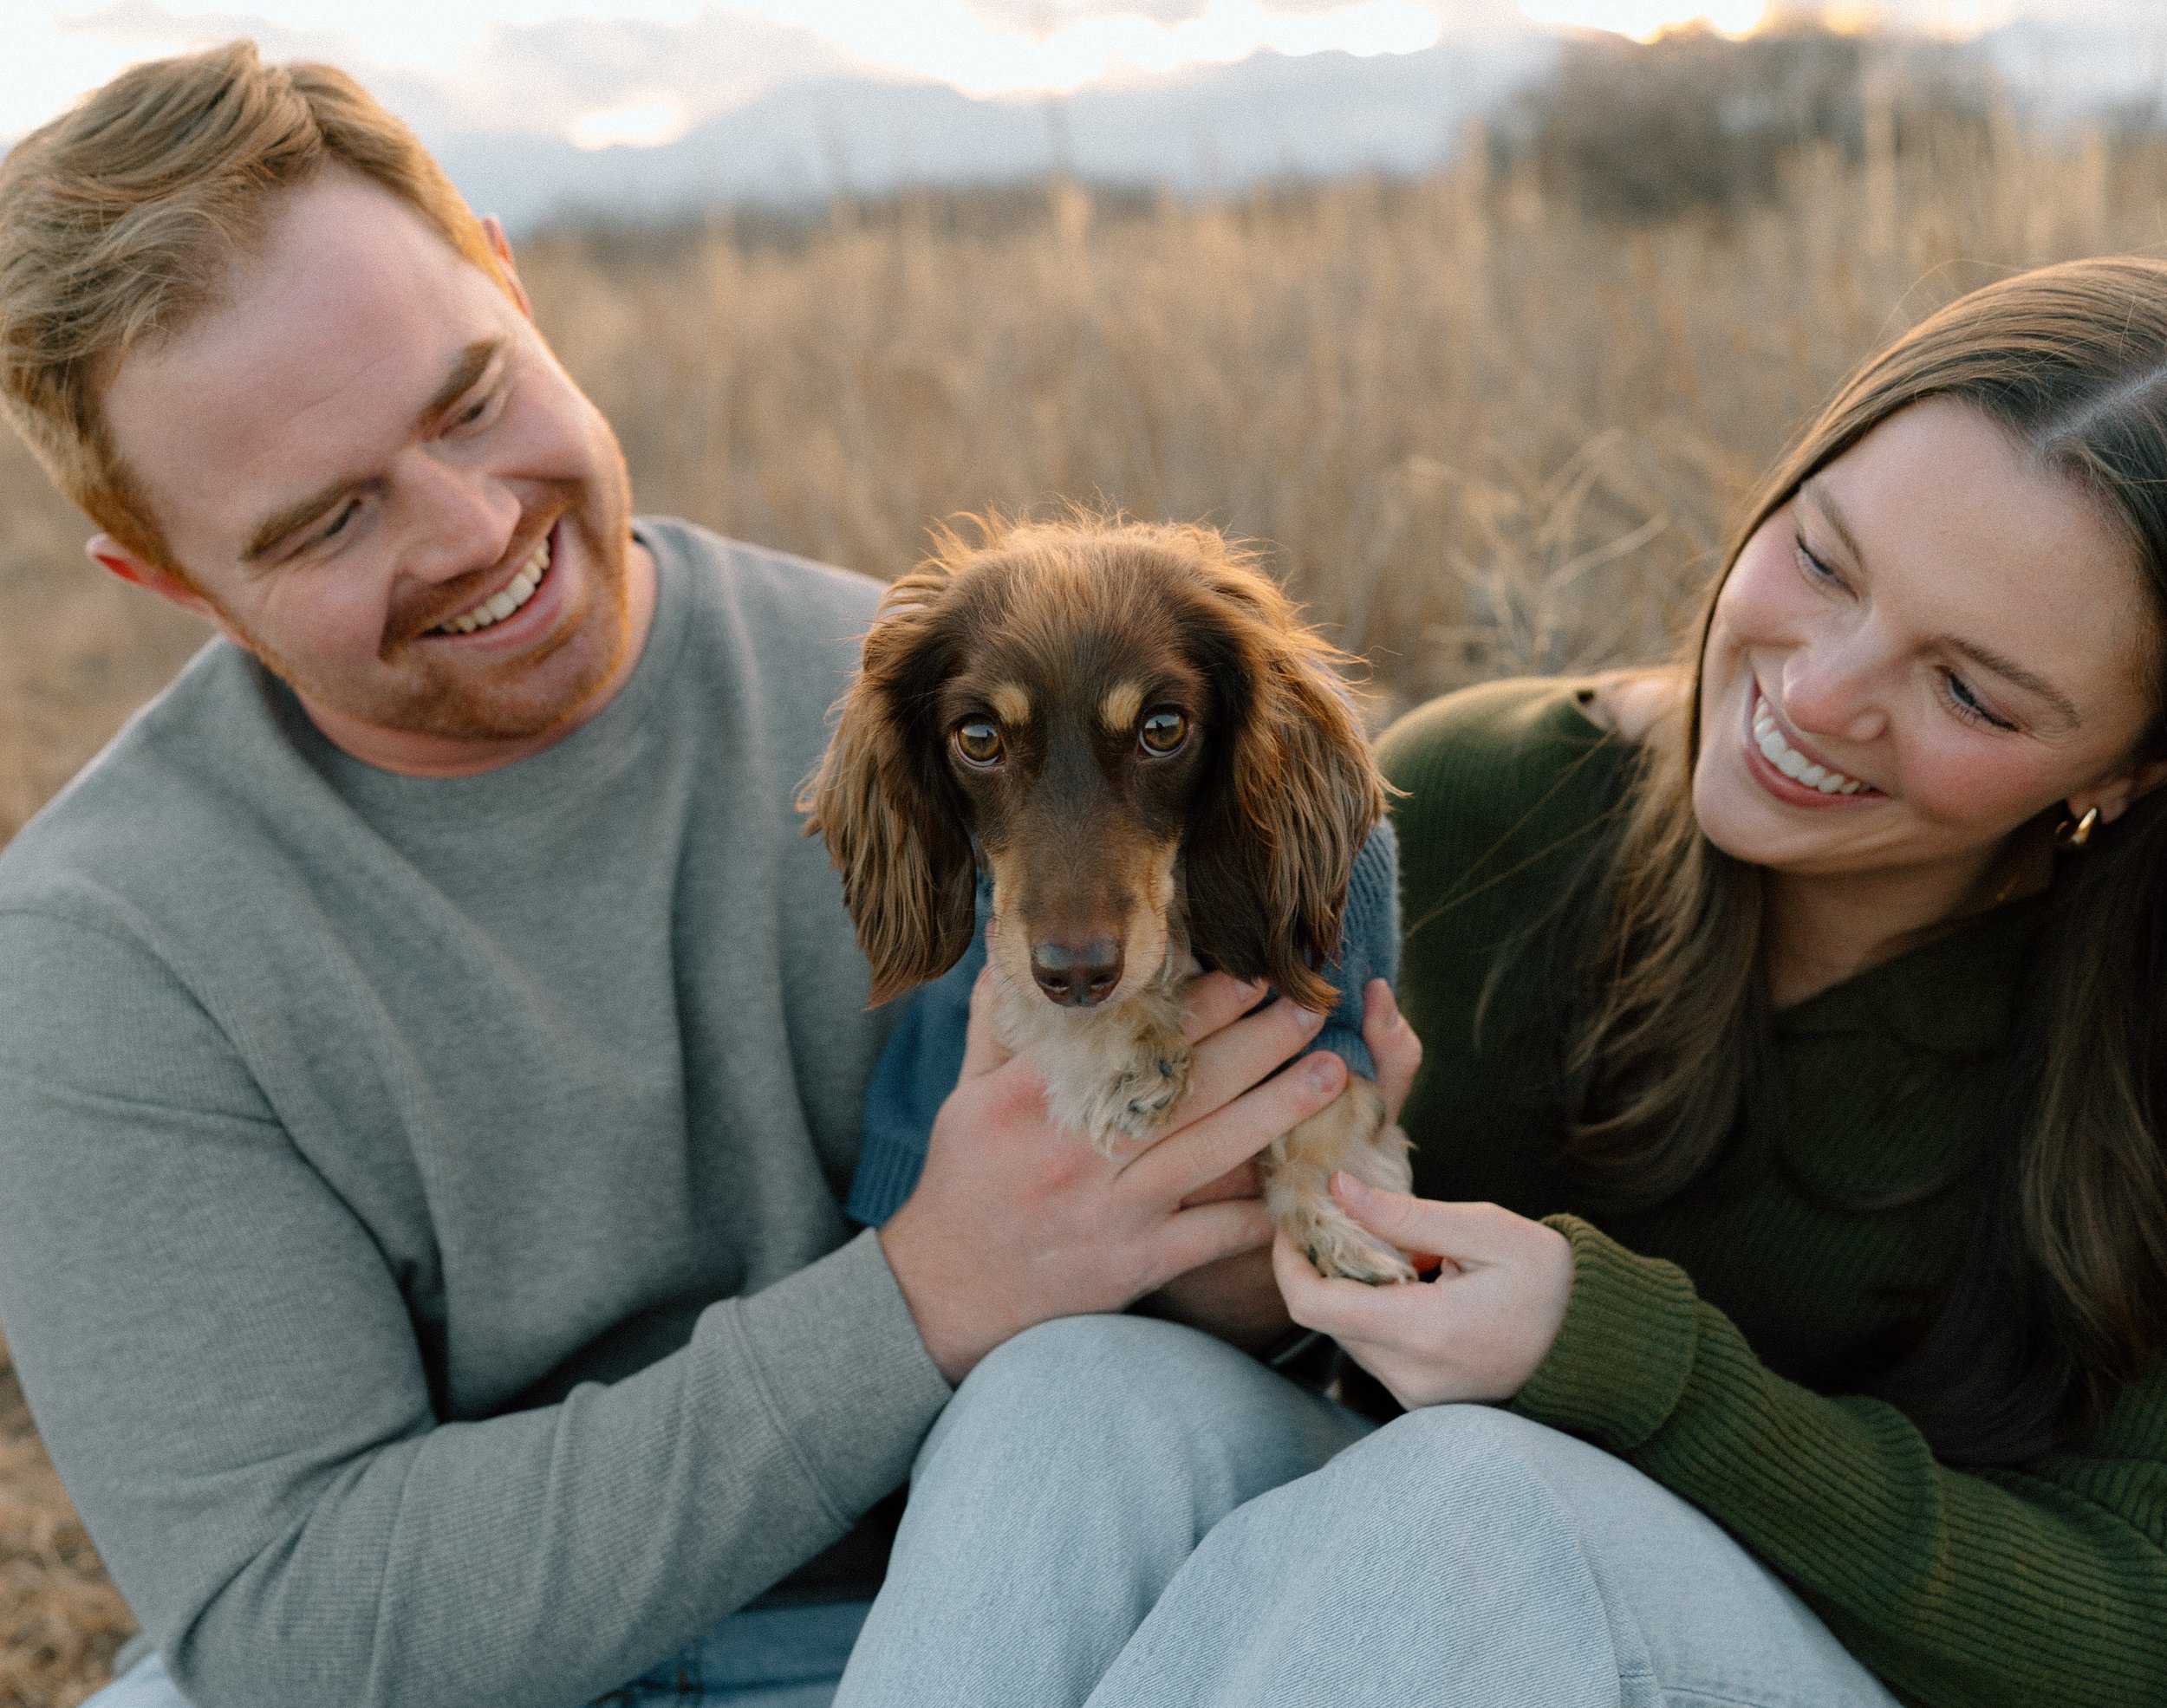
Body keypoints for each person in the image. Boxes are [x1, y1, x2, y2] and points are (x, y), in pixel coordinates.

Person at [0, 44, 1364, 1707]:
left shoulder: (955, 722)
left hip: (1026, 1594)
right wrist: (923, 1296)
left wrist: (1245, 1270)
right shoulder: (103, 954)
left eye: (471, 398)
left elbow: (1230, 1341)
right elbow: (296, 1627)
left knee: (1112, 1428)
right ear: (168, 580)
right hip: (503, 1677)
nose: (470, 527)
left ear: (509, 278)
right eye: (324, 522)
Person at [830, 259, 2167, 1707]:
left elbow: (2139, 1625)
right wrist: (1240, 1268)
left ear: (2133, 763)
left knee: (1477, 1502)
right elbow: (1322, 1368)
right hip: (1448, 1633)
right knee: (1068, 1406)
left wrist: (1620, 1364)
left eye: (1970, 689)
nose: (1818, 694)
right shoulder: (1472, 806)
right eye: (1826, 560)